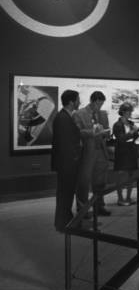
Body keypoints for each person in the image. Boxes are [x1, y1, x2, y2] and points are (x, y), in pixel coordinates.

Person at [73, 91, 112, 216]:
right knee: (84, 182)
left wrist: (106, 132)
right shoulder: (79, 114)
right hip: (87, 152)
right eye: (98, 104)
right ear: (92, 101)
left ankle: (99, 206)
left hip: (101, 150)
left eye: (101, 104)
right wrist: (92, 132)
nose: (99, 107)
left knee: (100, 181)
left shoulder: (103, 114)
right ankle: (82, 210)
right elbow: (77, 132)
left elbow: (107, 130)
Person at [51, 90, 82, 232]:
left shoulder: (65, 117)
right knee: (65, 194)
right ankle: (64, 223)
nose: (79, 102)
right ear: (71, 102)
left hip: (68, 163)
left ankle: (66, 221)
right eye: (77, 100)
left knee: (67, 194)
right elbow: (65, 145)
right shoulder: (63, 118)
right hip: (67, 164)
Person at [113, 102, 139, 205]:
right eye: (129, 111)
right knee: (120, 176)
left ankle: (129, 198)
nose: (130, 113)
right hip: (122, 152)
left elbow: (136, 136)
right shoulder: (117, 125)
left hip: (131, 151)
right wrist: (131, 133)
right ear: (123, 112)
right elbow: (121, 139)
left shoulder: (131, 123)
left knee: (131, 175)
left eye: (131, 111)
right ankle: (120, 199)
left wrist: (135, 132)